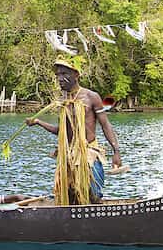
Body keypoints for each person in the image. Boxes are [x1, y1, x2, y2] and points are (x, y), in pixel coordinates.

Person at [27, 56, 122, 204]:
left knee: (93, 197)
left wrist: (116, 151)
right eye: (58, 75)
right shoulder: (63, 102)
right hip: (68, 156)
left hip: (88, 155)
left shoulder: (91, 97)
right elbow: (61, 131)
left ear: (76, 75)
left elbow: (105, 125)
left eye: (64, 74)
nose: (60, 78)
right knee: (69, 198)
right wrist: (38, 122)